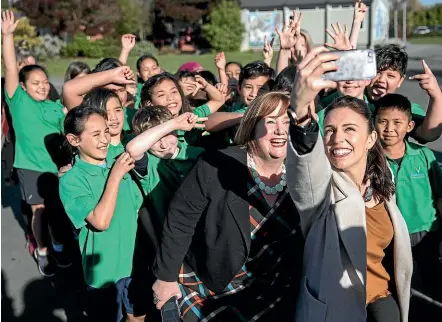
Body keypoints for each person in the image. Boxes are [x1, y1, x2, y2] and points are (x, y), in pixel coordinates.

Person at [151, 92, 304, 321]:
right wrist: (165, 277)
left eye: (287, 122)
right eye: (270, 122)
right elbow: (180, 220)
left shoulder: (304, 174)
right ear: (252, 125)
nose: (280, 130)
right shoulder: (216, 164)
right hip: (208, 280)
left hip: (273, 287)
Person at [286, 46, 412, 322]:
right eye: (329, 130)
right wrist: (301, 115)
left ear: (370, 139)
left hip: (382, 300)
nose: (336, 139)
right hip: (335, 309)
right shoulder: (321, 188)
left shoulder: (382, 179)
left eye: (349, 129)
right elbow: (304, 172)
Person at [2, 10, 72, 276]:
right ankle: (42, 251)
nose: (42, 86)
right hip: (30, 168)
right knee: (39, 211)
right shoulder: (18, 103)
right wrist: (7, 35)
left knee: (58, 211)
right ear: (23, 86)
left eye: (44, 82)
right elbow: (10, 67)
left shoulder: (55, 108)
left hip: (56, 168)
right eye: (35, 83)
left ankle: (60, 244)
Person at [59, 105, 145, 322]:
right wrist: (115, 175)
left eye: (106, 131)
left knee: (137, 317)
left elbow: (137, 205)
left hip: (134, 262)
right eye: (96, 134)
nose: (105, 139)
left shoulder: (117, 160)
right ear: (74, 140)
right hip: (104, 274)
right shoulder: (71, 180)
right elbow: (100, 221)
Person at [373, 93, 442, 308]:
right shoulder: (370, 161)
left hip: (428, 232)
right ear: (373, 123)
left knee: (434, 282)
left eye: (397, 123)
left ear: (410, 126)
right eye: (382, 121)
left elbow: (439, 197)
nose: (389, 128)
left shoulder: (424, 155)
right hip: (393, 236)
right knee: (399, 287)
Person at [367, 45, 442, 143]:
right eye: (377, 72)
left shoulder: (405, 108)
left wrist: (436, 96)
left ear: (400, 81)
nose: (381, 80)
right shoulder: (354, 97)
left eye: (390, 76)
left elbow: (428, 135)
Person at [140, 72, 224, 146]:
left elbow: (218, 100)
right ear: (149, 103)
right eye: (161, 95)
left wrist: (205, 86)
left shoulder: (192, 117)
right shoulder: (148, 130)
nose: (170, 98)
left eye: (174, 92)